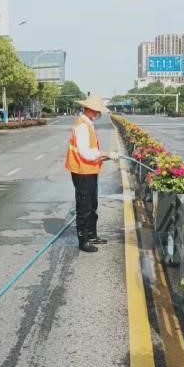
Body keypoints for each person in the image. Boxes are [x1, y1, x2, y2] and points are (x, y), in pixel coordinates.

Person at [64, 95, 118, 253]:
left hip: (90, 170)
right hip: (82, 172)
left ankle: (92, 235)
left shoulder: (88, 123)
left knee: (92, 205)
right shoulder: (82, 125)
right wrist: (106, 153)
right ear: (88, 109)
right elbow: (85, 153)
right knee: (84, 207)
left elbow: (91, 151)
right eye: (96, 111)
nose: (98, 114)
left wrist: (105, 156)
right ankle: (83, 241)